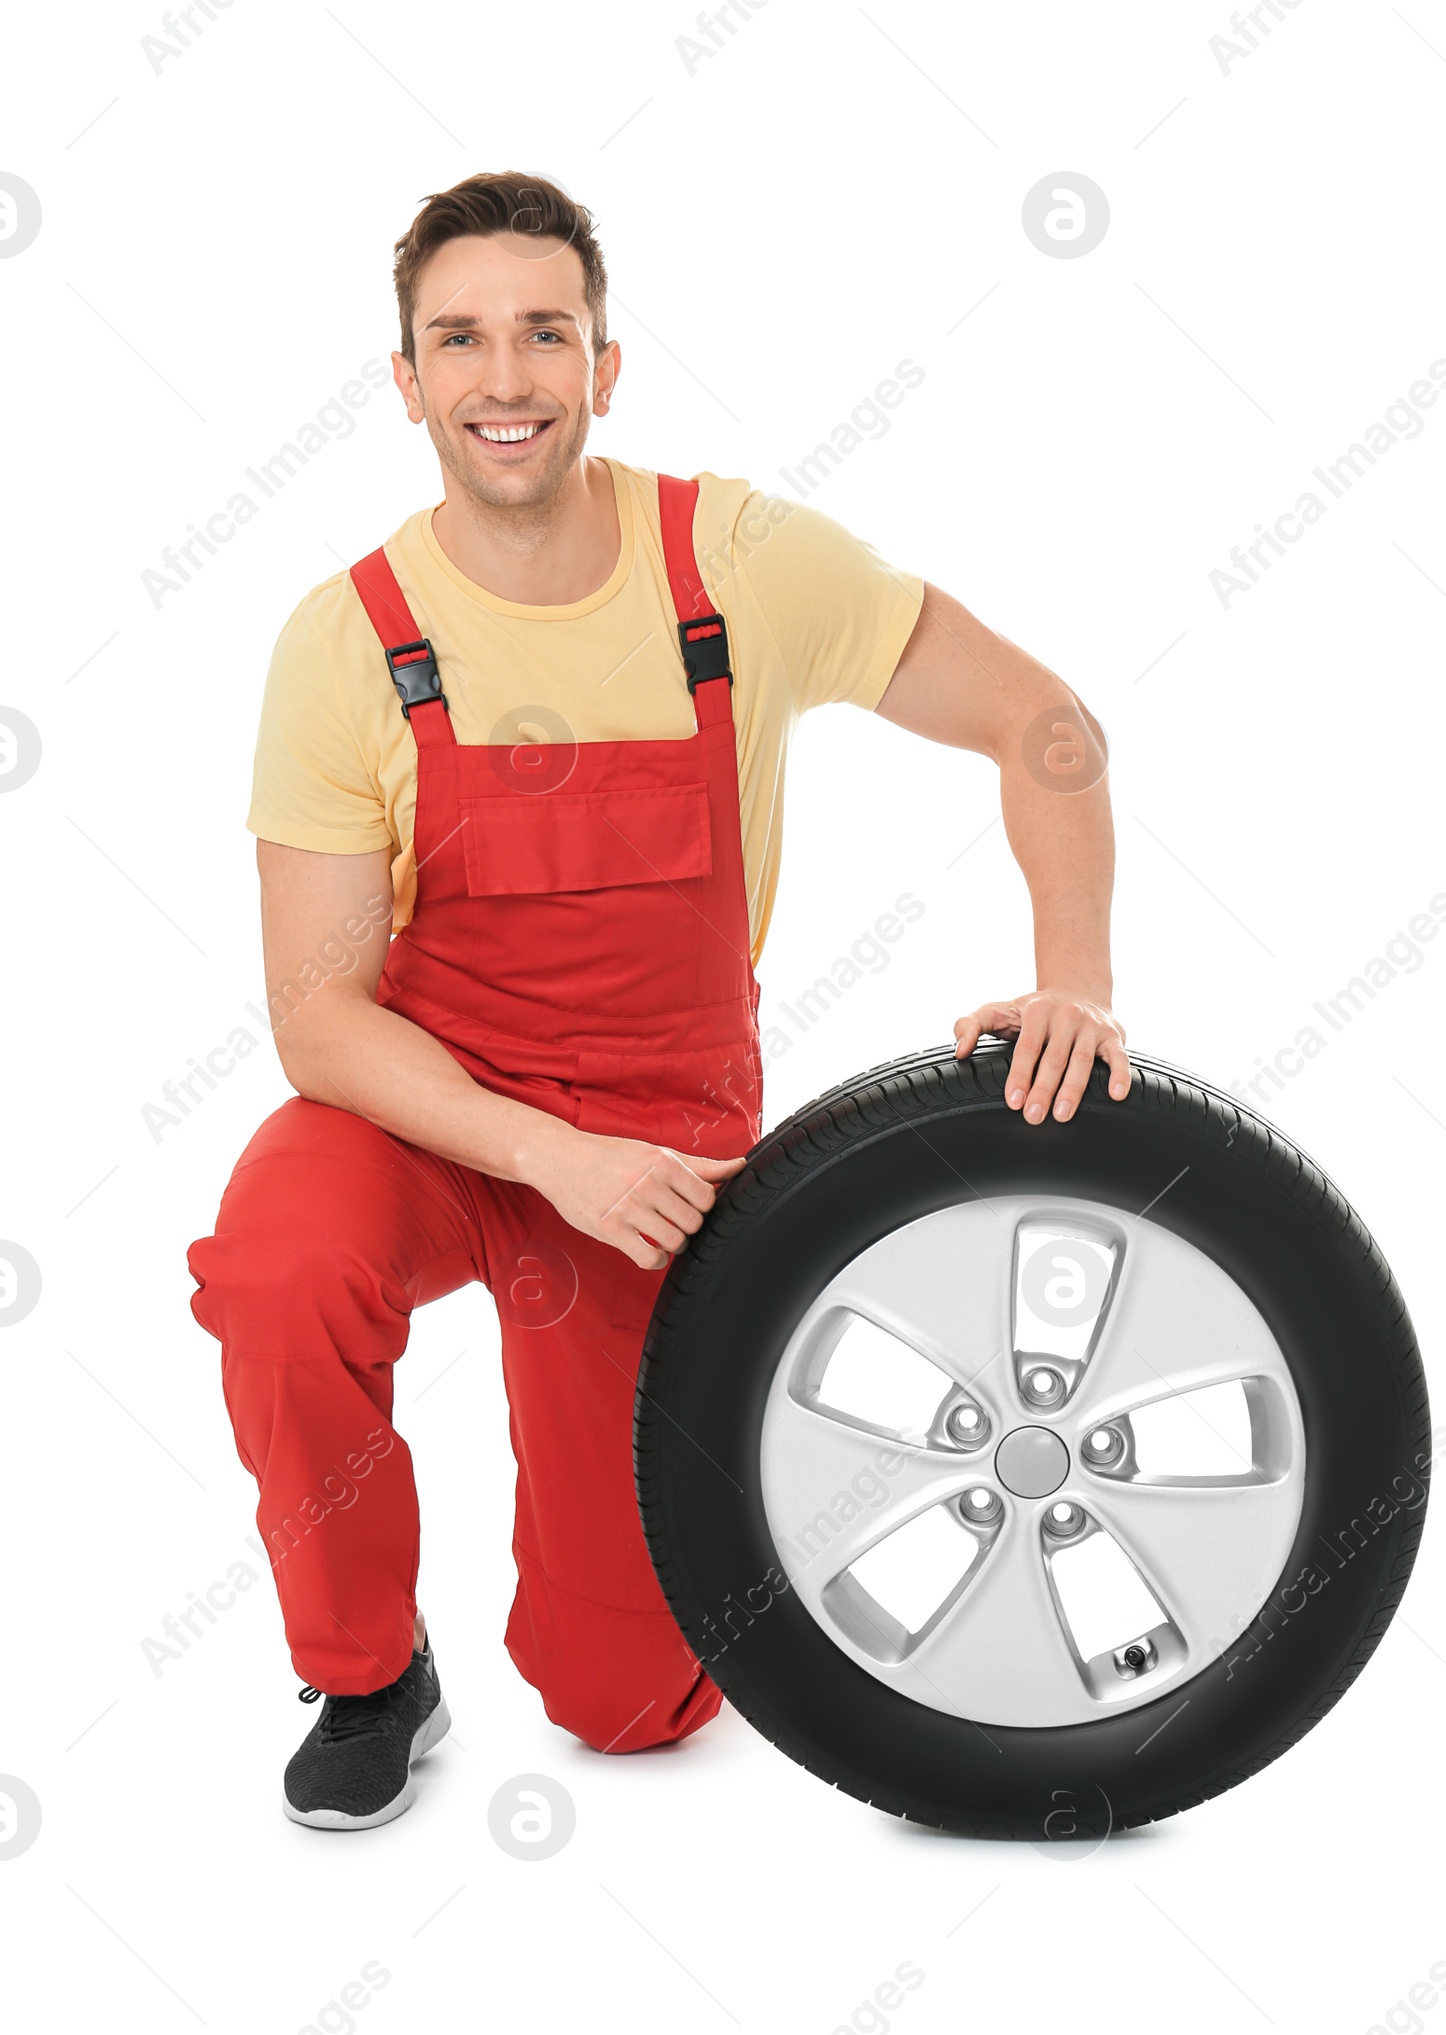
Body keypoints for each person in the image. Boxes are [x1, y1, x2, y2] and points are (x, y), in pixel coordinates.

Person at [186, 169, 1130, 1830]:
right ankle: (364, 1669)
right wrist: (541, 1155)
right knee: (279, 1263)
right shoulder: (348, 640)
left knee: (627, 1706)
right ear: (403, 378)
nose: (505, 379)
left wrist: (1078, 985)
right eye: (460, 340)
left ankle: (742, 1501)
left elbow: (1046, 725)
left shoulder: (736, 564)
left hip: (657, 1152)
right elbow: (318, 1022)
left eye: (545, 334)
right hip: (427, 1109)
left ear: (604, 364)